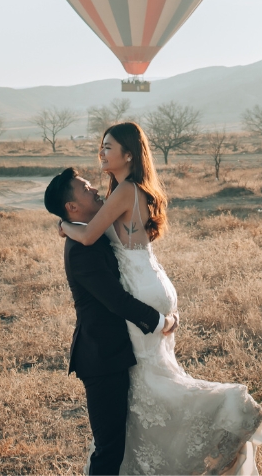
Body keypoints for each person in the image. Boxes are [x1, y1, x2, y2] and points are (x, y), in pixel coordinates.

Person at [55, 122, 262, 475]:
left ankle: (227, 408)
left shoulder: (125, 190)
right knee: (154, 376)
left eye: (108, 147)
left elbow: (90, 234)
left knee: (150, 384)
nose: (102, 152)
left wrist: (62, 225)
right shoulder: (131, 190)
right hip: (154, 283)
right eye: (102, 146)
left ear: (128, 154)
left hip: (141, 291)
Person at [45, 165, 175, 475]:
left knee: (124, 443)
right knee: (109, 449)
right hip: (102, 358)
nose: (94, 189)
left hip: (121, 352)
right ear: (72, 207)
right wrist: (160, 322)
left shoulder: (94, 233)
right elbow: (115, 300)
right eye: (85, 187)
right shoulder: (80, 250)